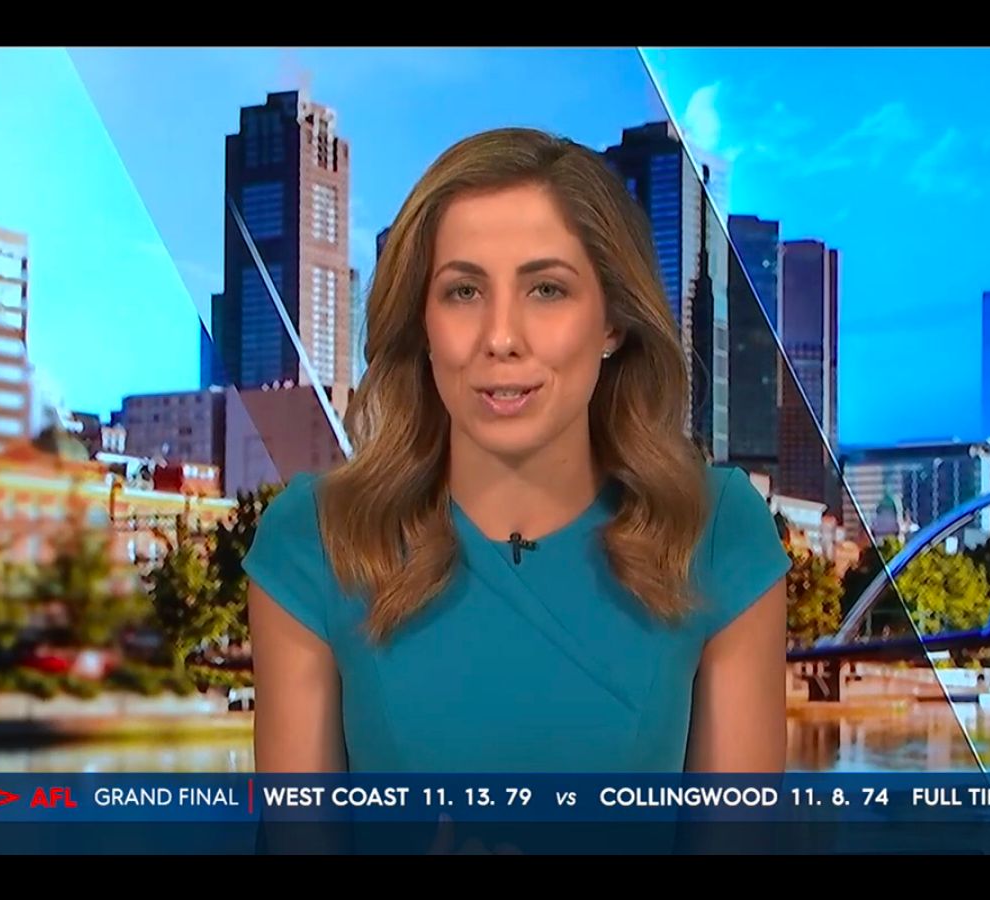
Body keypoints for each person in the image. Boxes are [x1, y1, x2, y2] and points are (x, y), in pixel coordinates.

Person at [244, 127, 791, 774]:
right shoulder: (315, 538)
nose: (501, 337)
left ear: (613, 322)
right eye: (463, 292)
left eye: (547, 290)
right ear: (421, 322)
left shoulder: (717, 530)